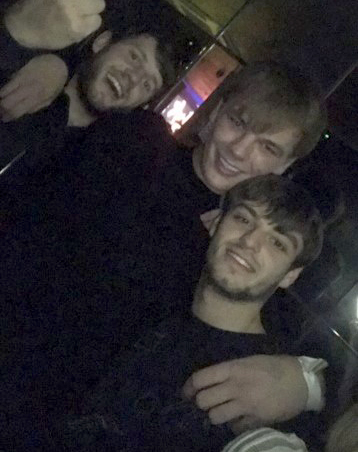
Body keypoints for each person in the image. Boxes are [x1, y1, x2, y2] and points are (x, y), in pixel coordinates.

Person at [0, 62, 328, 446]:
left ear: (284, 167)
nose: (240, 150)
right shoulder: (135, 141)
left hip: (53, 426)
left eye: (267, 147)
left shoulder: (238, 254)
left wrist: (308, 384)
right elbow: (23, 195)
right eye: (238, 122)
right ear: (216, 111)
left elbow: (309, 341)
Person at [47, 174, 324, 452]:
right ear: (216, 223)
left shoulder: (260, 390)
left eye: (277, 243)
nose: (250, 241)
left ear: (290, 275)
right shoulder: (151, 301)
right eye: (243, 219)